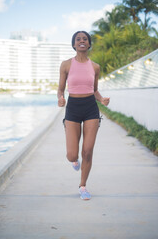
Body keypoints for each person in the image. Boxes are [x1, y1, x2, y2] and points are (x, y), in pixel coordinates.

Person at [57, 31, 110, 200]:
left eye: (84, 39)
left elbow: (94, 90)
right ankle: (74, 161)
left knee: (87, 151)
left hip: (90, 108)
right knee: (72, 154)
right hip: (72, 108)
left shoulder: (95, 67)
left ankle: (83, 186)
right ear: (74, 44)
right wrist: (60, 98)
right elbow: (60, 88)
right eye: (78, 39)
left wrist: (101, 99)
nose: (81, 41)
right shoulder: (66, 65)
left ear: (88, 44)